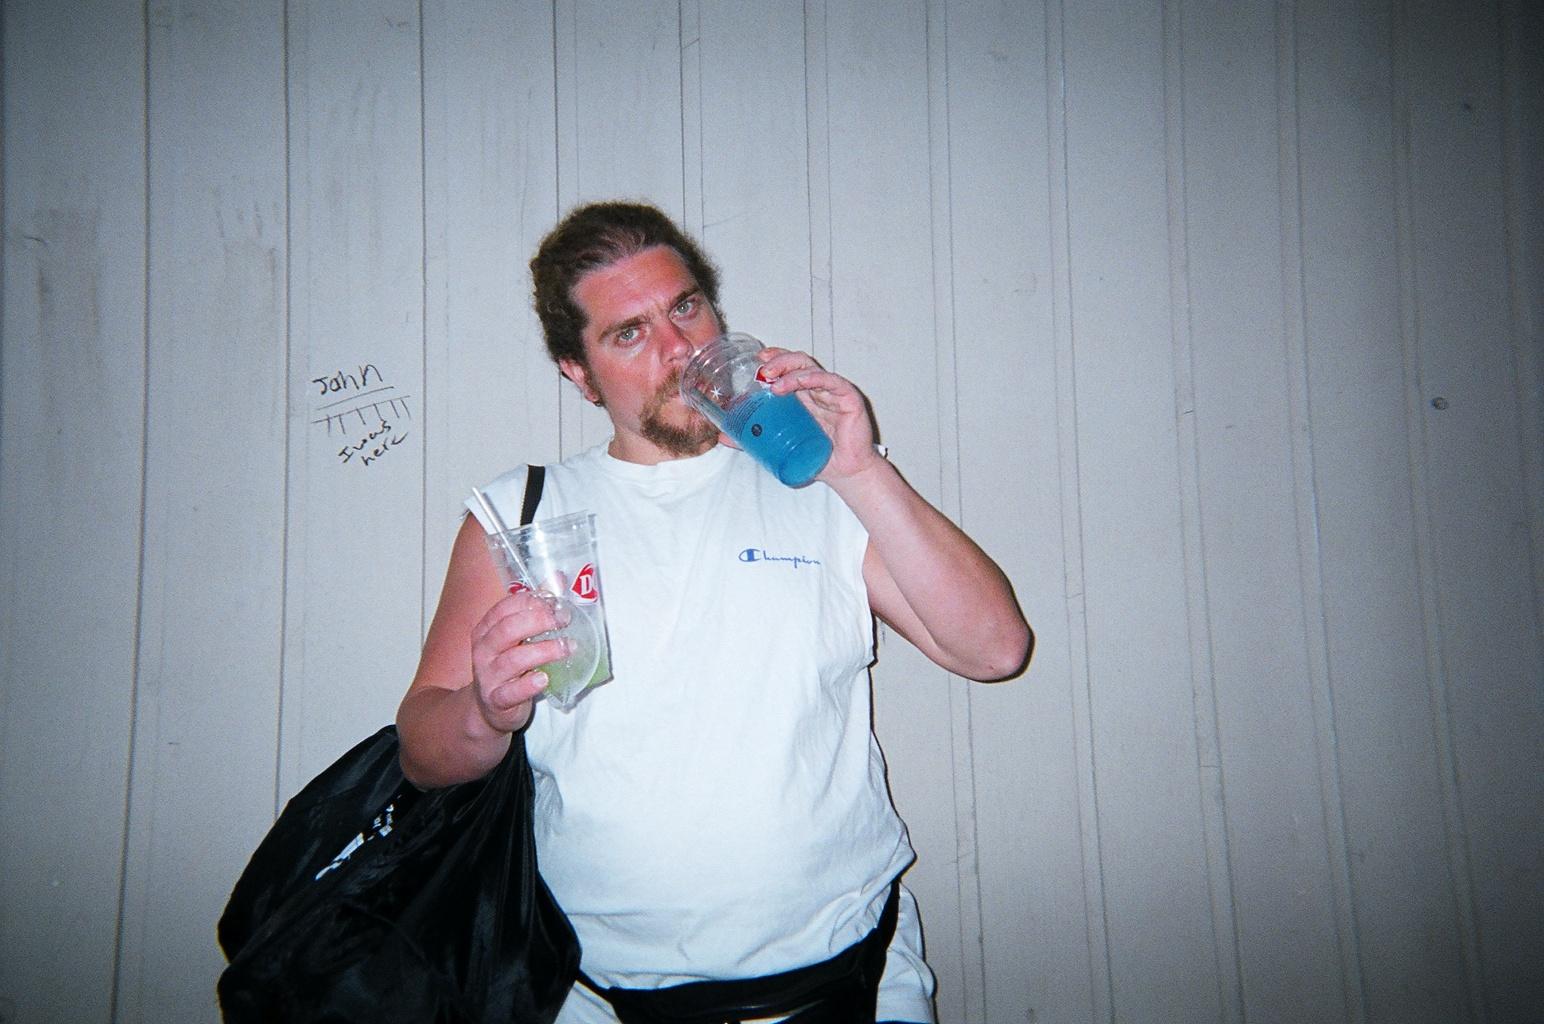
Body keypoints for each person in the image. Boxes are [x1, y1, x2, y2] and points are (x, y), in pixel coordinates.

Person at [396, 200, 1032, 1023]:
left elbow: (993, 650)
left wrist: (860, 471)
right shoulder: (523, 512)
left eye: (686, 307)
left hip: (852, 978)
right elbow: (422, 751)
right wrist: (486, 711)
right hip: (601, 996)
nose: (678, 348)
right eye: (630, 333)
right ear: (578, 373)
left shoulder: (814, 481)